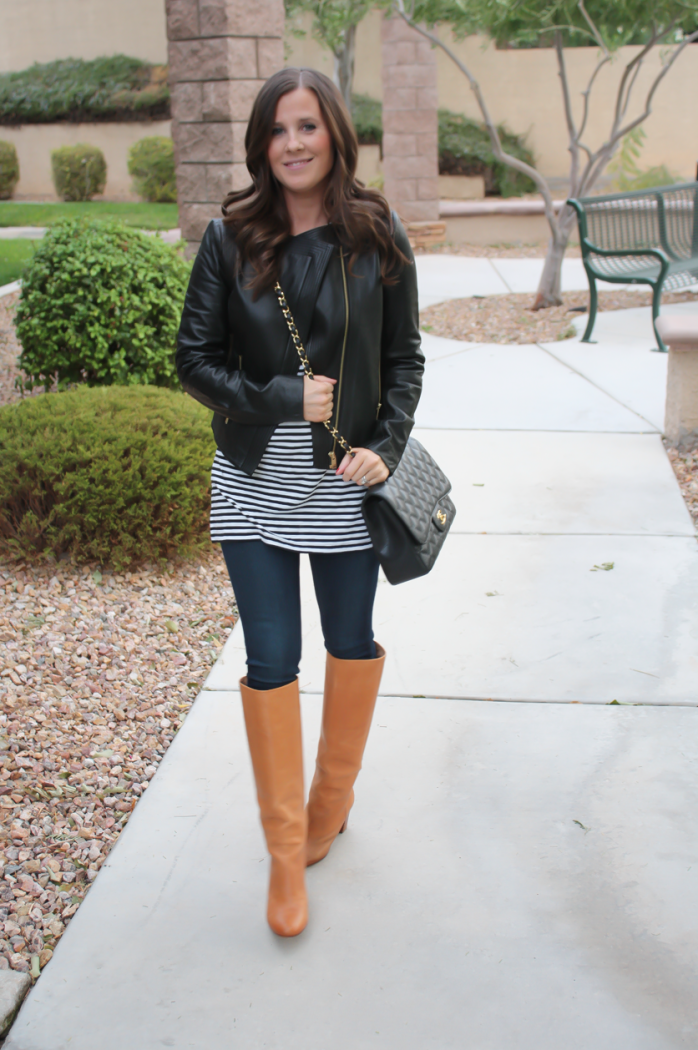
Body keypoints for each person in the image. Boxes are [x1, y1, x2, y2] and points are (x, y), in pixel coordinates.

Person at [176, 67, 423, 938]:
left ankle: (331, 800)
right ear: (261, 141)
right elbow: (194, 361)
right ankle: (286, 852)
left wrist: (384, 450)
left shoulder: (376, 232)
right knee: (271, 659)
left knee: (349, 645)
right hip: (253, 478)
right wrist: (280, 396)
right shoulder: (229, 236)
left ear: (333, 134)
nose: (292, 144)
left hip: (343, 485)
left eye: (307, 126)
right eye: (278, 129)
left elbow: (404, 361)